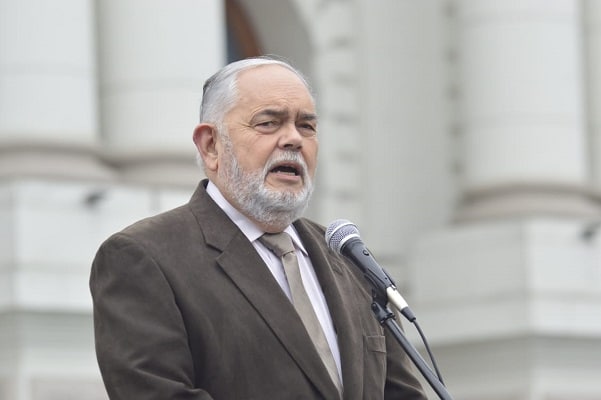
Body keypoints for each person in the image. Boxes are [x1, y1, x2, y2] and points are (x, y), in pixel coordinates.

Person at [90, 56, 426, 400]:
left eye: (306, 126)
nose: (293, 139)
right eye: (268, 123)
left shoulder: (350, 260)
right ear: (210, 145)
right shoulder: (144, 258)